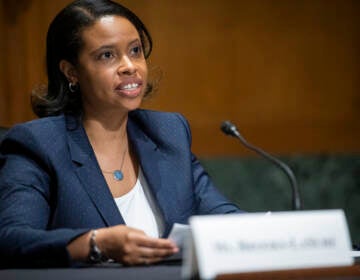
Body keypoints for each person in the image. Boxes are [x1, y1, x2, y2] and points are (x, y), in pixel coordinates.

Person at [0, 0, 241, 268]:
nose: (130, 66)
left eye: (135, 51)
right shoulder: (39, 145)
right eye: (107, 55)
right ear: (71, 72)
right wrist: (96, 243)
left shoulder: (169, 133)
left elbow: (223, 218)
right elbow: (11, 239)